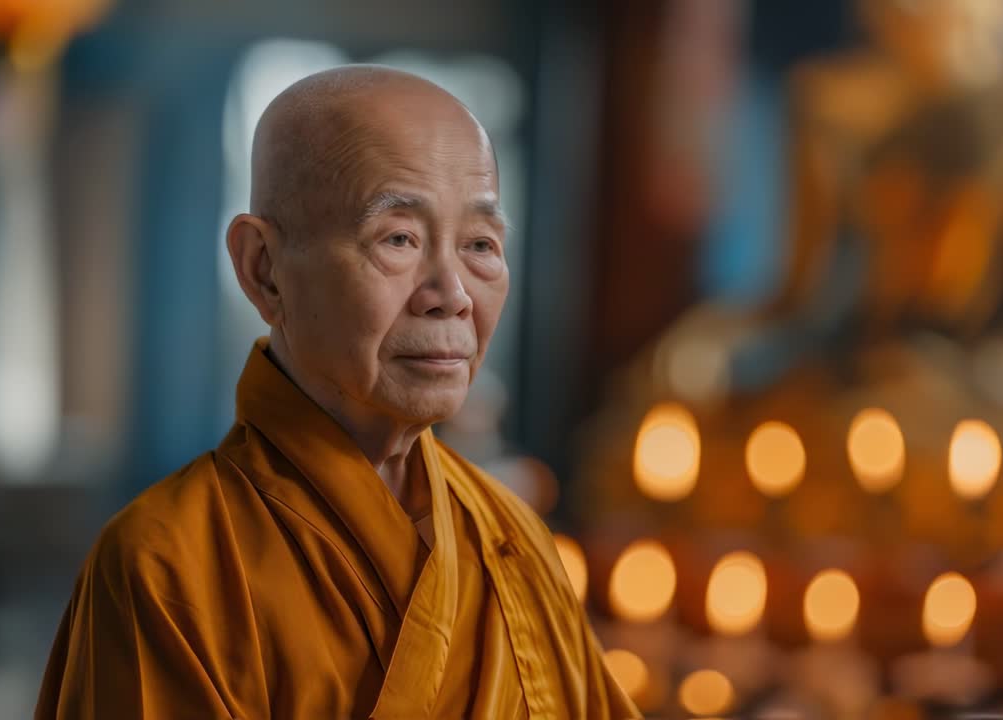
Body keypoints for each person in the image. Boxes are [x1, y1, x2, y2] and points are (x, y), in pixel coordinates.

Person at [36, 65, 639, 720]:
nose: (454, 296)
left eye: (480, 244)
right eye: (399, 238)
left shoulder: (510, 539)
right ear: (264, 270)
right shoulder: (168, 566)